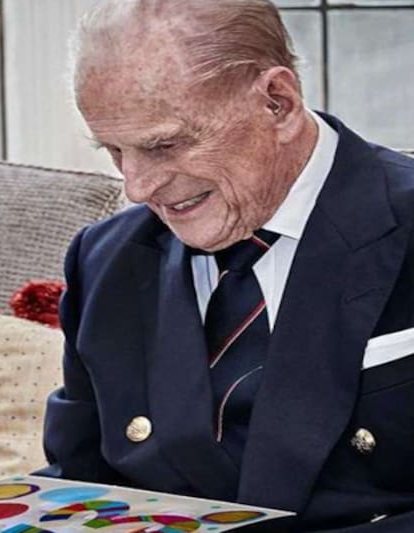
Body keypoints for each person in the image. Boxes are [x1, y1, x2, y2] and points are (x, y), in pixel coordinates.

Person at [40, 1, 414, 531]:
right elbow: (77, 487)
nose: (137, 187)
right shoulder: (104, 262)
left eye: (164, 144)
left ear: (277, 104)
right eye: (115, 151)